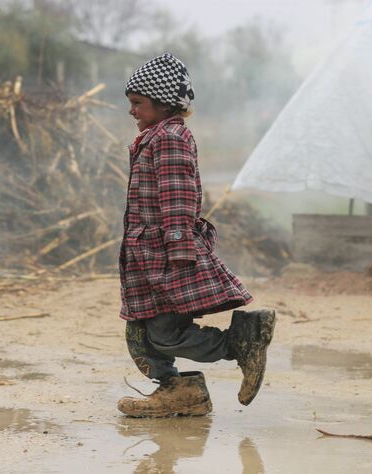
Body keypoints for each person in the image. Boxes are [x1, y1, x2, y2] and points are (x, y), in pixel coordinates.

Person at [117, 53, 276, 418]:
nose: (132, 111)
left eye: (137, 104)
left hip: (164, 255)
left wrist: (178, 250)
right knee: (140, 335)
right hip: (147, 255)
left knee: (166, 334)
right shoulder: (154, 137)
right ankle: (181, 392)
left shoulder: (169, 140)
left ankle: (239, 342)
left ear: (163, 103)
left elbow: (178, 197)